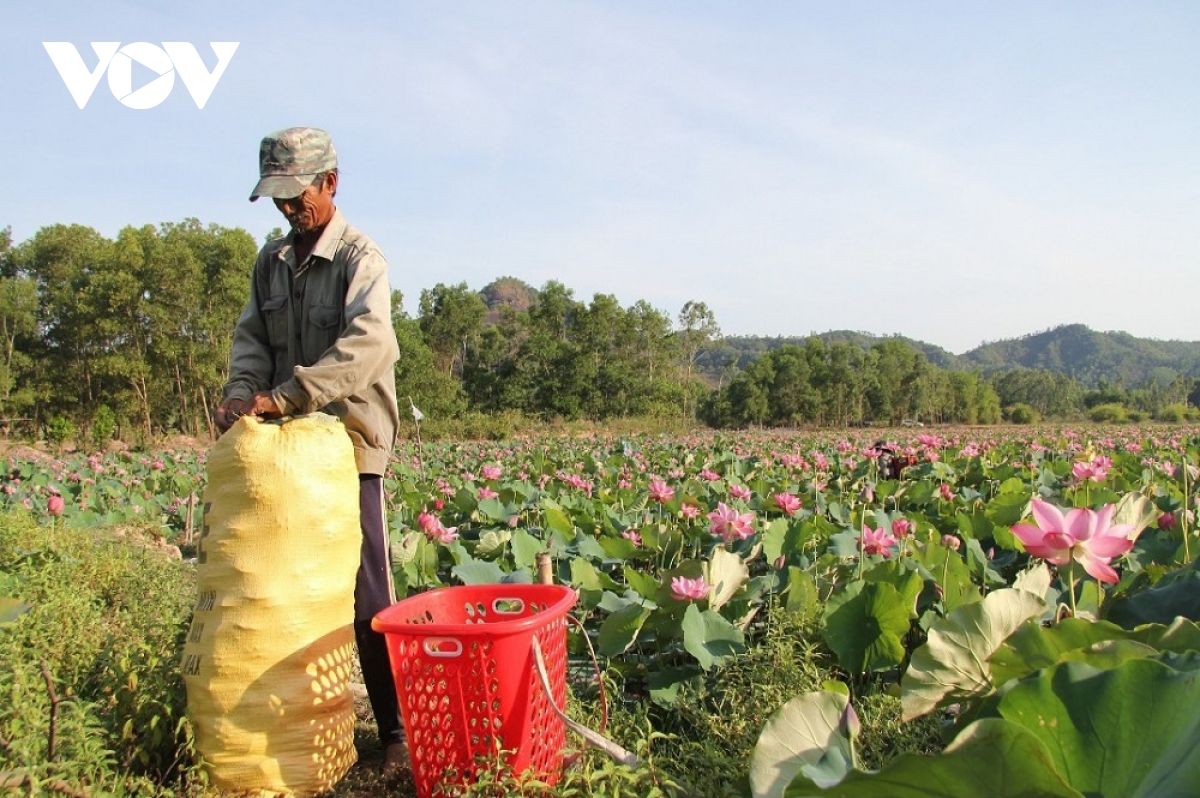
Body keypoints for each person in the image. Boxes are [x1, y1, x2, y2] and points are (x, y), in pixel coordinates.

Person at [215, 126, 406, 776]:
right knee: (273, 586)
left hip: (349, 446)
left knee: (367, 595)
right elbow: (251, 339)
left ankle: (396, 734)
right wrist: (243, 390)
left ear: (330, 183)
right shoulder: (270, 262)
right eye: (278, 199)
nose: (289, 210)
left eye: (298, 196)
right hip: (283, 452)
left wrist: (290, 394)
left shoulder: (360, 259)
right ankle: (284, 730)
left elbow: (370, 346)